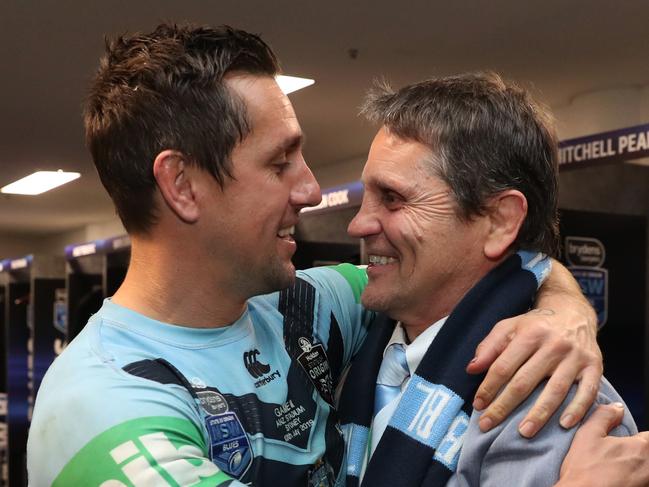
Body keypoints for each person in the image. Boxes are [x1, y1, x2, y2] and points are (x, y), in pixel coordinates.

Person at [23, 23, 630, 487]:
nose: (313, 191)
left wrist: (559, 306)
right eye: (279, 163)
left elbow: (467, 275)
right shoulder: (105, 404)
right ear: (182, 186)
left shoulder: (311, 309)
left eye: (392, 197)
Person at [338, 72, 638, 487]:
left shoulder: (547, 396)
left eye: (393, 198)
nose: (358, 225)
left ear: (499, 221)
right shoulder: (344, 343)